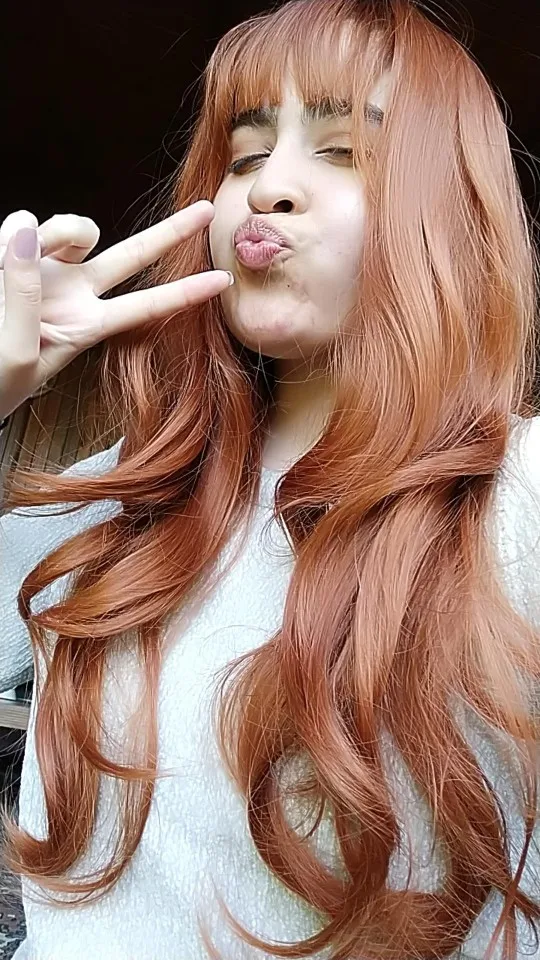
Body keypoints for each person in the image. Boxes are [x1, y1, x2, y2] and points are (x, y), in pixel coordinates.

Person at [1, 0, 540, 956]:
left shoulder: (517, 490)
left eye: (343, 151)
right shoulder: (121, 494)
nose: (270, 187)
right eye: (245, 156)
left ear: (451, 207)